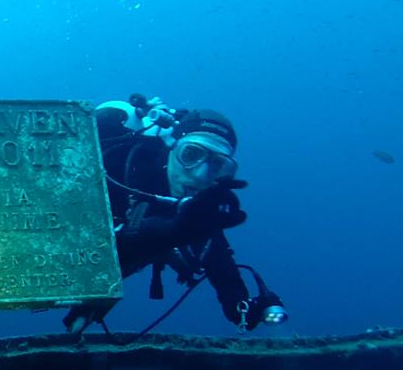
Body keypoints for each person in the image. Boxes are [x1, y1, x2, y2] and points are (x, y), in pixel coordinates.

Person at [63, 94, 287, 336]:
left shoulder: (196, 212)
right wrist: (173, 231)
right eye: (191, 155)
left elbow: (216, 255)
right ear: (171, 145)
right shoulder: (119, 169)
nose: (200, 174)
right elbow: (75, 245)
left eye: (217, 165)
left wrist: (242, 307)